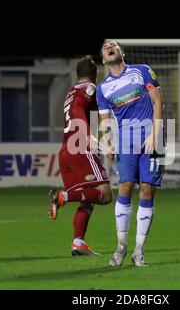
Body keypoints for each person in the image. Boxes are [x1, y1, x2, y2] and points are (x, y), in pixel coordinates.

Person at [97, 40, 165, 266]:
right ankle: (121, 247)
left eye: (113, 44)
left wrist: (155, 135)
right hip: (126, 140)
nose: (109, 47)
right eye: (105, 47)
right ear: (104, 58)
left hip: (151, 137)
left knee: (147, 190)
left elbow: (158, 102)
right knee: (125, 187)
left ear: (121, 52)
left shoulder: (143, 71)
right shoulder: (103, 88)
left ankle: (139, 251)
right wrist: (108, 142)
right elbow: (105, 120)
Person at [49, 55, 112, 256]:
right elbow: (78, 110)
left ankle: (78, 242)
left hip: (66, 150)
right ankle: (63, 196)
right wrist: (87, 135)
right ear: (94, 76)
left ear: (78, 74)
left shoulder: (71, 91)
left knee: (89, 197)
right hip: (80, 147)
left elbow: (84, 108)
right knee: (105, 194)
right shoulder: (89, 88)